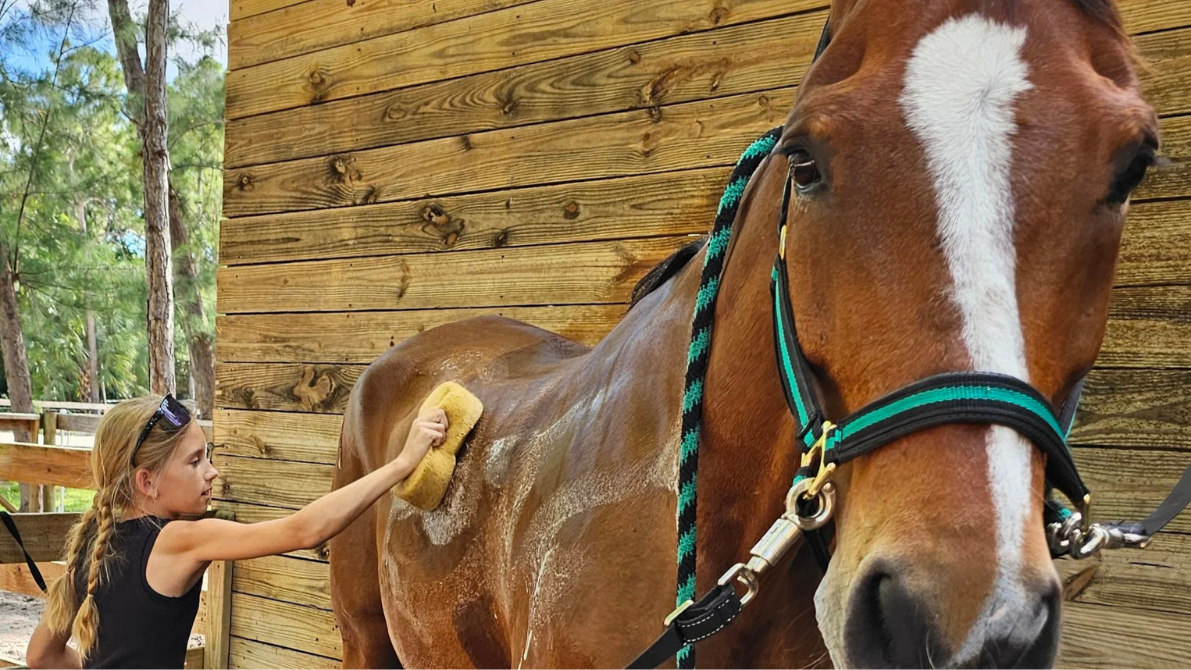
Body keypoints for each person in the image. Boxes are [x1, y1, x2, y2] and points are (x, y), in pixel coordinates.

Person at [25, 393, 446, 669]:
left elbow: (41, 657)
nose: (212, 471)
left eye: (207, 455)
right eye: (194, 462)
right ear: (147, 482)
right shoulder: (177, 541)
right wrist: (401, 464)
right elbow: (305, 530)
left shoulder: (91, 547)